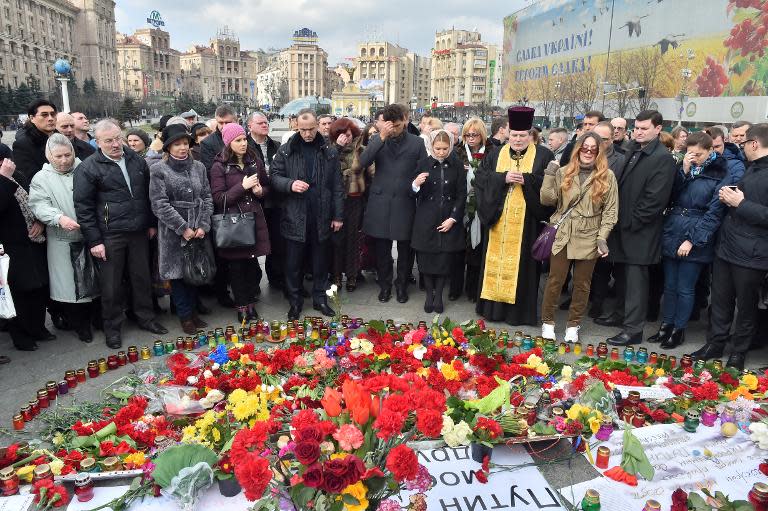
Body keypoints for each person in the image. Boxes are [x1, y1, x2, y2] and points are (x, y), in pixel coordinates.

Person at [73, 119, 167, 349]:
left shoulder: (136, 160)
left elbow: (148, 194)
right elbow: (83, 208)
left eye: (117, 138)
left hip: (138, 231)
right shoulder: (88, 168)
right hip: (110, 234)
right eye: (108, 141)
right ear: (98, 142)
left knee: (141, 277)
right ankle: (112, 328)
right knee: (112, 285)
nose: (115, 144)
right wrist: (94, 240)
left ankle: (146, 318)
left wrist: (151, 223)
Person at [596, 110, 676, 346]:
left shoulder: (662, 158)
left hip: (639, 231)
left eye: (644, 128)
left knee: (635, 283)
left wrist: (630, 223)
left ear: (658, 129)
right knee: (622, 277)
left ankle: (633, 330)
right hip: (622, 226)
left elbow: (655, 200)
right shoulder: (633, 149)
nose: (638, 132)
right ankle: (621, 315)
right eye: (637, 128)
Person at [693, 124, 768, 370]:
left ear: (754, 143)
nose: (742, 146)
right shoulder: (748, 166)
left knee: (746, 307)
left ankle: (738, 353)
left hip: (753, 253)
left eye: (745, 142)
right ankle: (715, 343)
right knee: (721, 301)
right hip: (727, 247)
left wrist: (740, 202)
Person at [648, 132, 731, 350]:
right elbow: (669, 196)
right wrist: (683, 171)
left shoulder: (721, 172)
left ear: (710, 151)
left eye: (699, 154)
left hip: (696, 231)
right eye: (690, 152)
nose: (694, 157)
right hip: (674, 226)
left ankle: (679, 329)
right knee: (670, 284)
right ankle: (666, 325)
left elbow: (714, 213)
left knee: (685, 286)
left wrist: (692, 241)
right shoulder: (684, 169)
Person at [474, 106, 554, 326]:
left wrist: (527, 181)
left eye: (522, 135)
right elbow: (480, 179)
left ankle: (519, 314)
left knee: (524, 269)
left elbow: (551, 187)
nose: (518, 139)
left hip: (527, 224)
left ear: (531, 135)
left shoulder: (544, 155)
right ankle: (493, 311)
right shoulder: (496, 153)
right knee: (495, 264)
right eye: (514, 135)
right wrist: (502, 178)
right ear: (508, 133)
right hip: (498, 220)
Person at [540, 132, 618, 342]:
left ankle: (573, 325)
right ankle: (548, 321)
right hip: (564, 231)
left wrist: (602, 237)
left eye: (593, 149)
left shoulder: (607, 176)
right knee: (555, 280)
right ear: (578, 150)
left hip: (590, 234)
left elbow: (610, 211)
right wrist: (549, 173)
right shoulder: (564, 171)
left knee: (583, 284)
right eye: (585, 148)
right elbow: (547, 200)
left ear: (599, 152)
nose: (588, 152)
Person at [271, 110, 344, 320]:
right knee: (293, 264)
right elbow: (274, 177)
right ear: (296, 126)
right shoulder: (286, 151)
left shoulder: (328, 151)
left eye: (311, 129)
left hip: (321, 216)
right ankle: (295, 302)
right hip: (294, 216)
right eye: (303, 129)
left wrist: (338, 216)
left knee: (321, 262)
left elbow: (337, 186)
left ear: (318, 126)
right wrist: (290, 184)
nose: (308, 133)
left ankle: (320, 299)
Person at [28, 134, 95, 343]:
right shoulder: (41, 178)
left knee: (94, 282)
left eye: (68, 155)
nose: (64, 160)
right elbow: (38, 205)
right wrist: (58, 218)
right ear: (49, 155)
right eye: (58, 156)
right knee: (70, 286)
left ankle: (96, 319)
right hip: (62, 238)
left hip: (91, 235)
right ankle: (80, 325)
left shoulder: (85, 168)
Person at [359, 104, 427, 304]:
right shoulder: (377, 140)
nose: (396, 129)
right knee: (382, 249)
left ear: (404, 121)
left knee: (406, 250)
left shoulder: (416, 143)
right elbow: (362, 162)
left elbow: (422, 170)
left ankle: (402, 285)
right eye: (392, 126)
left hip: (406, 202)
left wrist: (415, 187)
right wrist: (381, 137)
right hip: (381, 202)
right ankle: (385, 286)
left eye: (398, 125)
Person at [149, 124, 214, 334]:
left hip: (198, 228)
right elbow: (159, 203)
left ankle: (194, 312)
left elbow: (206, 196)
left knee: (194, 271)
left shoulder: (199, 167)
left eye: (185, 143)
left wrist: (203, 224)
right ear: (168, 148)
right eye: (177, 144)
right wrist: (182, 227)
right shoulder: (159, 170)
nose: (182, 147)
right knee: (177, 275)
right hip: (173, 232)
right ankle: (185, 316)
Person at [209, 123, 270, 323]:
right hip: (234, 225)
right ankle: (242, 307)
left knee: (252, 268)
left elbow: (266, 186)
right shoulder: (220, 166)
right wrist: (241, 186)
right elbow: (218, 198)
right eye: (238, 140)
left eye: (244, 139)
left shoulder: (254, 160)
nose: (243, 143)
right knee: (237, 269)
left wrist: (261, 192)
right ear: (228, 143)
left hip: (253, 221)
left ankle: (251, 304)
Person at [411, 130, 467, 313]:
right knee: (426, 259)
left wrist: (453, 218)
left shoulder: (457, 165)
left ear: (450, 146)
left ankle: (439, 296)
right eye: (438, 149)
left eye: (445, 148)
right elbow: (411, 192)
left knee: (444, 259)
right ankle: (429, 295)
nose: (441, 152)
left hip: (448, 217)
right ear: (431, 147)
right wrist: (415, 184)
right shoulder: (423, 163)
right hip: (426, 217)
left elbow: (461, 194)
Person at [0, 156, 49, 351]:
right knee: (18, 292)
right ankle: (21, 336)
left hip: (31, 240)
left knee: (38, 287)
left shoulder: (16, 175)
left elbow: (34, 201)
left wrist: (40, 221)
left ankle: (38, 328)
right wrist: (3, 178)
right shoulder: (6, 177)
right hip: (9, 246)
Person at [587, 122, 626, 318]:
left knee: (605, 266)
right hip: (585, 220)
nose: (600, 143)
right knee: (590, 268)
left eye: (605, 139)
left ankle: (600, 304)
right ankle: (592, 300)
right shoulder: (585, 156)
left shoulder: (622, 160)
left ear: (612, 139)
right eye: (597, 138)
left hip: (608, 221)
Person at [455, 117, 494, 301]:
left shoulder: (492, 152)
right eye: (467, 135)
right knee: (459, 248)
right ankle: (456, 287)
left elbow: (496, 178)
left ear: (482, 135)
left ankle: (474, 289)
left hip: (483, 205)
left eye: (474, 134)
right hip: (462, 204)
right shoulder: (458, 152)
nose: (470, 138)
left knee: (478, 250)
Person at [246, 111, 283, 289]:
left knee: (276, 241)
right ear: (250, 126)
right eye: (260, 123)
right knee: (251, 243)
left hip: (275, 201)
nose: (265, 125)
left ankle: (276, 278)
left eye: (266, 122)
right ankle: (253, 282)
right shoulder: (244, 146)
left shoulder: (277, 145)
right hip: (252, 202)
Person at [329, 118, 365, 290]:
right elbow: (326, 170)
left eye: (348, 134)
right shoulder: (330, 150)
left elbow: (370, 173)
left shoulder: (361, 150)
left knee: (352, 240)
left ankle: (352, 275)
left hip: (354, 199)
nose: (346, 138)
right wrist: (337, 148)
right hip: (335, 201)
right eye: (341, 135)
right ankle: (335, 275)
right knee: (336, 241)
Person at [13, 99, 57, 181]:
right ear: (32, 118)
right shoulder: (23, 145)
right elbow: (29, 177)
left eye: (53, 114)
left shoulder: (62, 139)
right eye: (44, 115)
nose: (50, 118)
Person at [200, 105, 236, 172]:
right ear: (216, 121)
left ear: (235, 121)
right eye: (221, 123)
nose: (224, 126)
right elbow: (210, 171)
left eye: (227, 122)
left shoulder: (244, 138)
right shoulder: (207, 143)